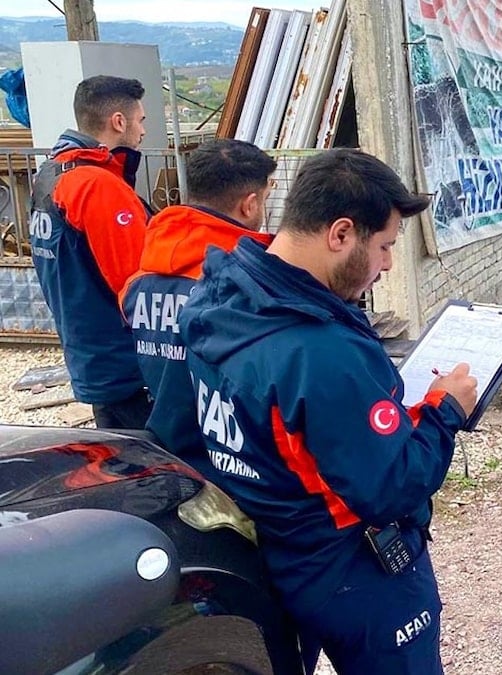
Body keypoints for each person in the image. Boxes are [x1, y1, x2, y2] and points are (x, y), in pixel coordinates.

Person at [179, 148, 478, 674]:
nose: (388, 265)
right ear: (340, 234)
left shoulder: (221, 298)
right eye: (385, 246)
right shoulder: (320, 352)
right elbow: (391, 487)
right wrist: (444, 409)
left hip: (281, 551)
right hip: (355, 568)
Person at [119, 138, 276, 474]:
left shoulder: (139, 279)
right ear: (249, 205)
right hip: (230, 458)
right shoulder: (245, 282)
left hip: (168, 444)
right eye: (264, 199)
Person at [29, 75, 154, 429]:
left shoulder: (50, 176)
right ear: (119, 121)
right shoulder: (97, 186)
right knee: (151, 455)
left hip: (89, 351)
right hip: (125, 360)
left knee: (116, 448)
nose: (143, 131)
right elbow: (136, 283)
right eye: (140, 120)